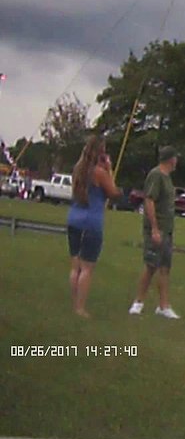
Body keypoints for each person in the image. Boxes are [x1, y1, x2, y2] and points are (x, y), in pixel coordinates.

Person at [65, 134, 121, 318]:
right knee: (87, 267)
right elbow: (113, 192)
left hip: (74, 218)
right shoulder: (99, 172)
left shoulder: (77, 169)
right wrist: (110, 169)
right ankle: (80, 308)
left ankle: (74, 303)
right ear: (100, 152)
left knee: (75, 266)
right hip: (91, 222)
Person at [129, 146, 181, 319]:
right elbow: (149, 200)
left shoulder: (168, 178)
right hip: (157, 228)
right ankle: (138, 302)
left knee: (165, 267)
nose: (177, 161)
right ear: (170, 159)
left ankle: (164, 306)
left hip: (168, 229)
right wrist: (154, 229)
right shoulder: (156, 175)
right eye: (175, 158)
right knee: (151, 265)